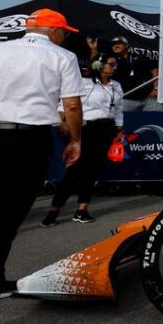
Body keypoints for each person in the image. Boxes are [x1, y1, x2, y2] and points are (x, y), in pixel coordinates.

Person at [0, 9, 83, 297]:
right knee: (11, 209)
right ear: (54, 32)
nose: (65, 37)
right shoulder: (62, 57)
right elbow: (72, 106)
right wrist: (76, 139)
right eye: (64, 32)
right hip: (29, 139)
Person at [41, 54, 124, 226]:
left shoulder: (116, 86)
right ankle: (54, 210)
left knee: (92, 170)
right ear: (99, 66)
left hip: (105, 128)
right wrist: (61, 122)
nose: (114, 67)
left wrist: (119, 128)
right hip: (84, 129)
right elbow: (64, 105)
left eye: (115, 64)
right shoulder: (83, 84)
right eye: (111, 64)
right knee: (74, 170)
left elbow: (118, 109)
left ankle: (82, 209)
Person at [108, 36, 156, 111]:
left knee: (157, 119)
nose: (116, 46)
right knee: (124, 121)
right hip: (125, 98)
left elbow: (154, 71)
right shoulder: (111, 60)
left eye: (119, 43)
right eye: (113, 44)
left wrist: (156, 88)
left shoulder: (140, 57)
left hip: (148, 97)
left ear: (126, 45)